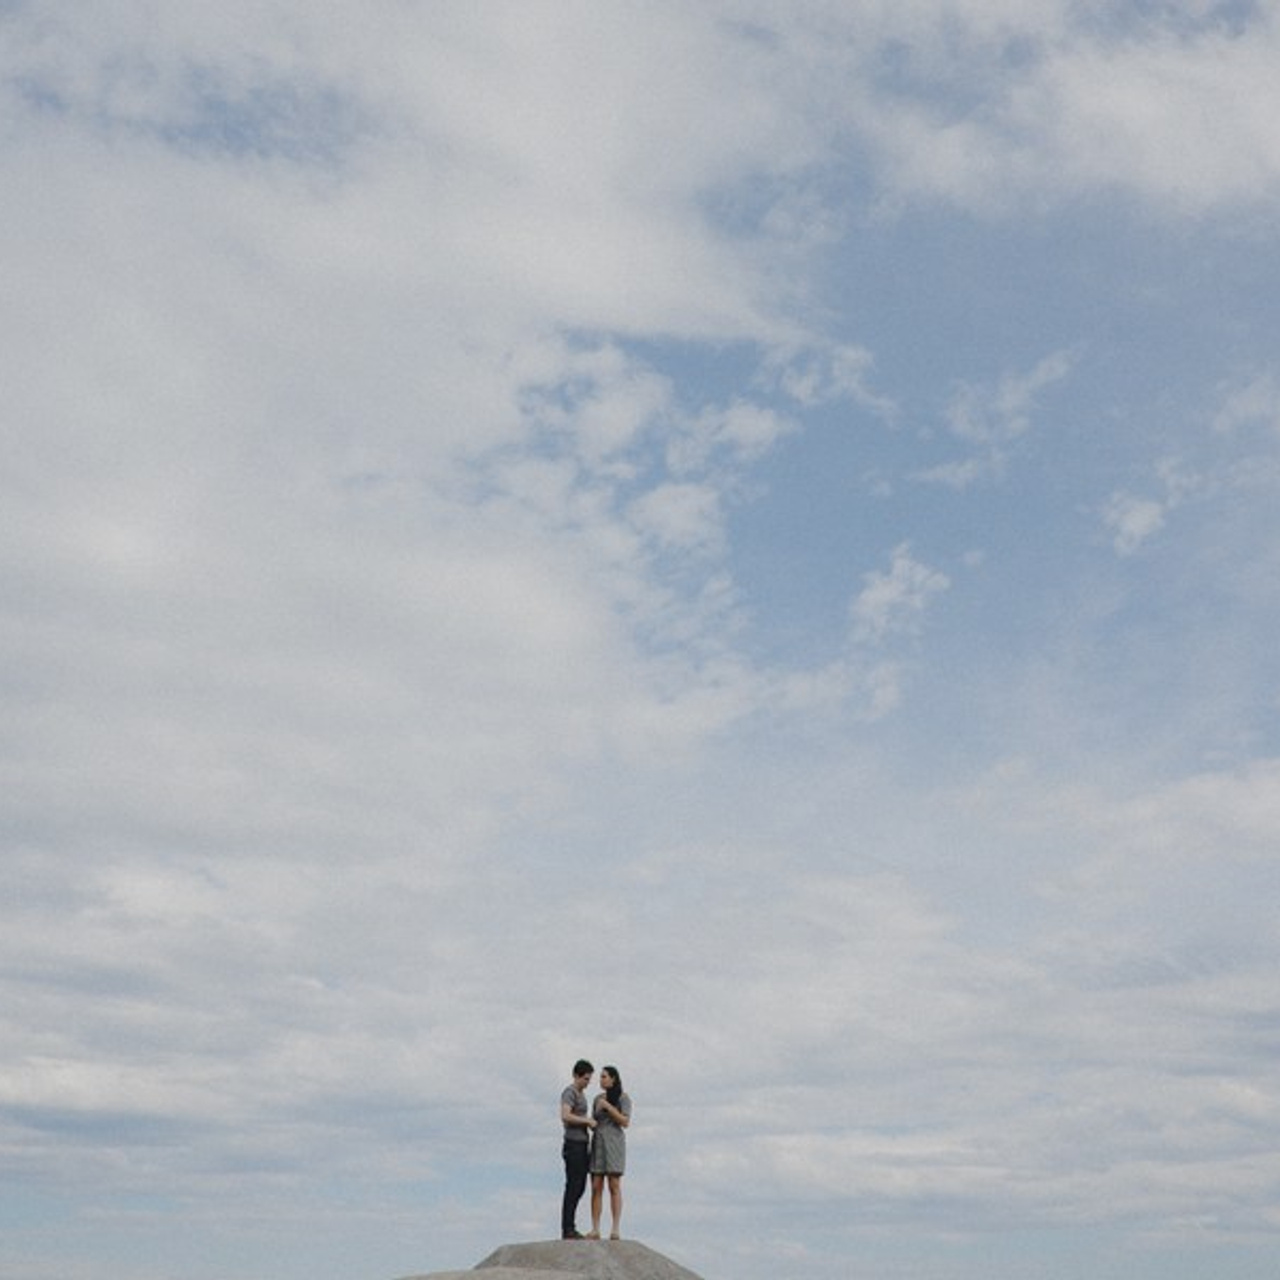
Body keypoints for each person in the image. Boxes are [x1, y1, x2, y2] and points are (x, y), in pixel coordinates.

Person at [587, 1065, 631, 1240]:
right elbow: (594, 1120)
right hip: (598, 1142)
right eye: (600, 1077)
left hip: (614, 1142)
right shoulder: (597, 1098)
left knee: (614, 1185)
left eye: (604, 1077)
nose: (601, 1080)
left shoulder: (623, 1098)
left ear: (613, 1079)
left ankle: (615, 1228)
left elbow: (625, 1121)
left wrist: (608, 1107)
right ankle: (595, 1228)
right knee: (596, 1185)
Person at [560, 1059, 596, 1239]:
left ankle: (570, 1226)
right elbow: (565, 1116)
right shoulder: (570, 1092)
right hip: (573, 1144)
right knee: (573, 1185)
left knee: (580, 1185)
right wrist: (586, 1121)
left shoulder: (582, 1095)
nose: (587, 1083)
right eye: (585, 1079)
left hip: (582, 1144)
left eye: (589, 1079)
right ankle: (567, 1228)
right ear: (576, 1075)